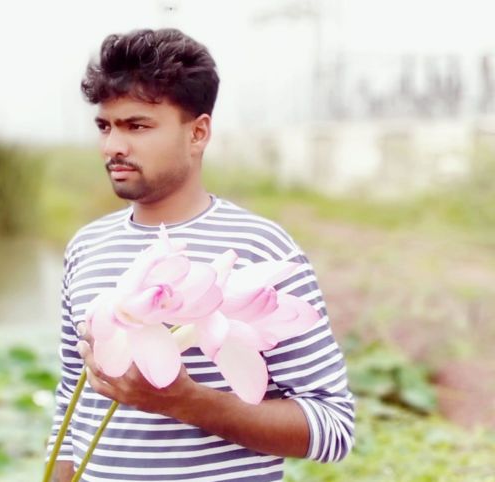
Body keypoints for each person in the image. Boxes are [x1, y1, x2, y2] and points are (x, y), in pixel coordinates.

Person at [47, 28, 354, 482]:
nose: (113, 146)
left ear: (198, 132)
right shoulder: (86, 247)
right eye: (105, 126)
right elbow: (71, 407)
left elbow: (333, 428)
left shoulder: (260, 248)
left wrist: (187, 402)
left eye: (137, 126)